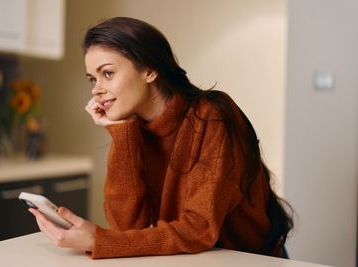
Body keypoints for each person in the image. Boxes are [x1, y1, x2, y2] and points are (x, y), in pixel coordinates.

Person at [29, 16, 293, 259]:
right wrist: (121, 132)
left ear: (150, 71)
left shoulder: (212, 116)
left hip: (251, 261)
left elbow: (199, 229)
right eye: (92, 79)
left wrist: (99, 240)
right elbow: (130, 227)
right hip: (193, 260)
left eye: (107, 73)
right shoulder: (133, 127)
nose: (97, 90)